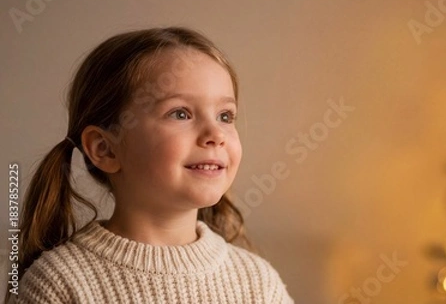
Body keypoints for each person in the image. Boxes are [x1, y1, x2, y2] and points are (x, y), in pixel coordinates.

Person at [8, 27, 294, 303]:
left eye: (225, 116)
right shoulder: (59, 284)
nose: (216, 135)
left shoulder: (257, 282)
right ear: (105, 148)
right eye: (180, 114)